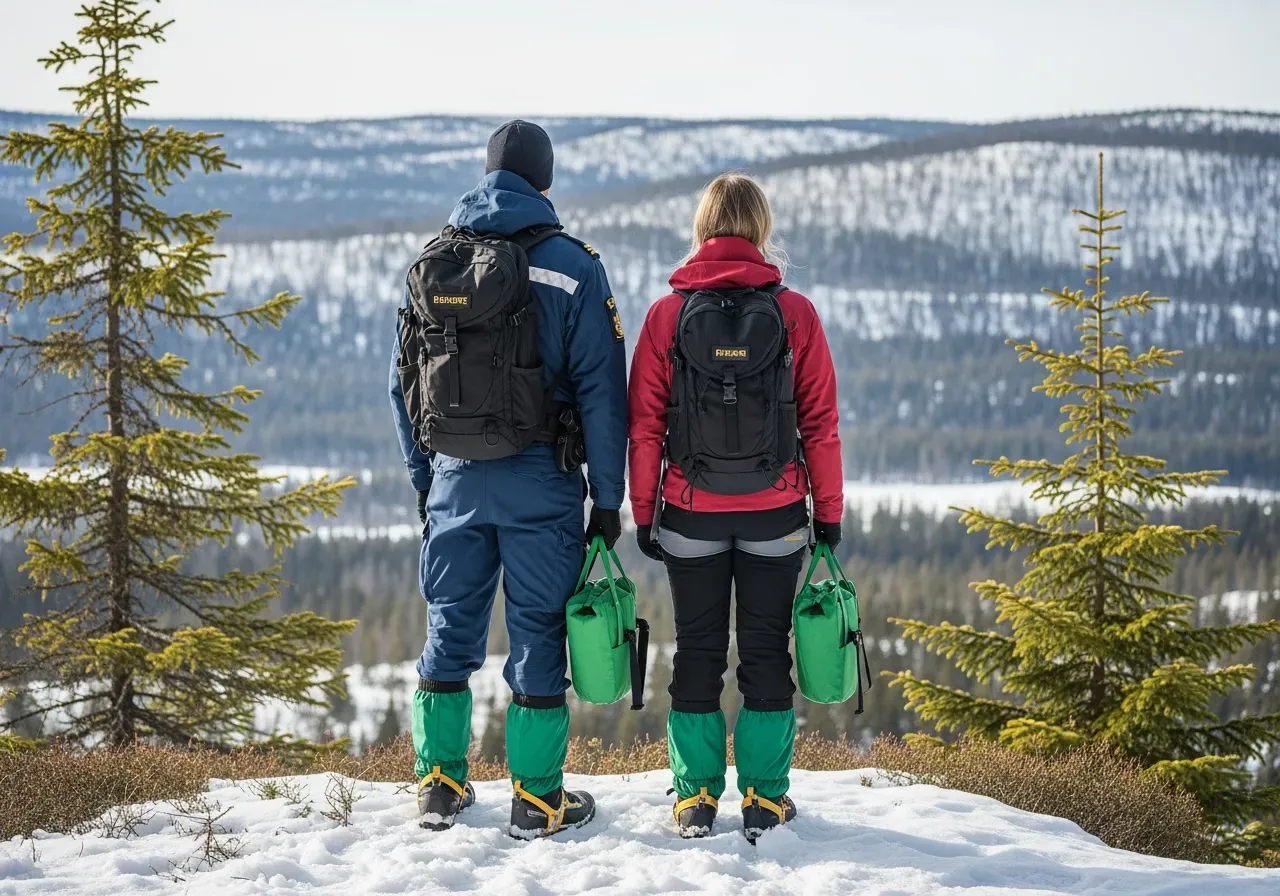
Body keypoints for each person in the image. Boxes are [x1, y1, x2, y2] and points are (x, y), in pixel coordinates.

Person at [389, 120, 628, 838]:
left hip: (456, 481)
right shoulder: (574, 267)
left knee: (449, 630)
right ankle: (538, 800)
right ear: (545, 182)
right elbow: (602, 395)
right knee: (537, 640)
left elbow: (404, 385)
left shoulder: (436, 263)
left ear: (486, 175)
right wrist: (608, 502)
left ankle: (437, 785)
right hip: (541, 484)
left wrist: (425, 480)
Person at [627, 173, 844, 842]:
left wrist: (643, 512)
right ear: (761, 228)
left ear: (701, 227)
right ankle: (766, 798)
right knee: (764, 654)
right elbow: (821, 424)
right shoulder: (795, 313)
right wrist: (828, 514)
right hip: (776, 514)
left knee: (695, 651)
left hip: (689, 512)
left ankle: (694, 798)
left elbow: (644, 425)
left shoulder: (668, 315)